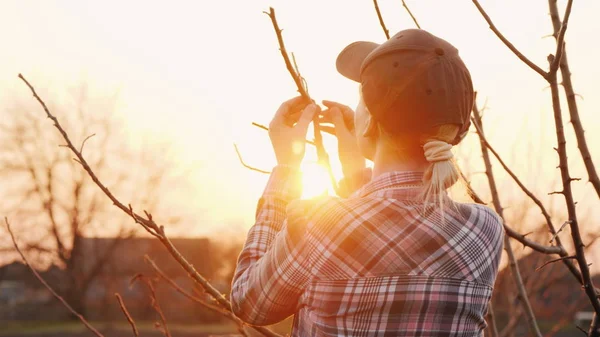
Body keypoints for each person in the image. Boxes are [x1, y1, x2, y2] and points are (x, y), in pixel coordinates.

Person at [230, 29, 504, 337]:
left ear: (371, 120)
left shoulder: (317, 223)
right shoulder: (485, 229)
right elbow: (385, 239)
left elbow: (249, 303)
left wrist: (286, 169)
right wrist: (355, 168)